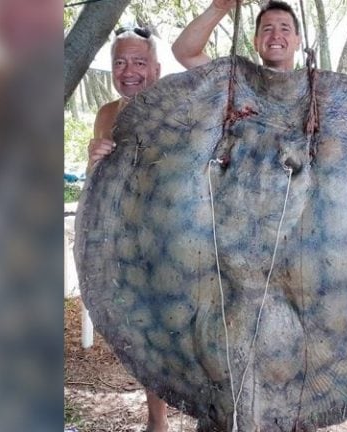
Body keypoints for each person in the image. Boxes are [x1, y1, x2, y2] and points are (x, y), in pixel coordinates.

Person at [86, 27, 168, 432]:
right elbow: (95, 185)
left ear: (156, 68)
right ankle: (157, 421)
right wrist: (94, 157)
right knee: (146, 335)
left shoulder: (176, 106)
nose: (129, 71)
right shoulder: (107, 114)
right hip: (129, 244)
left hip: (177, 238)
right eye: (120, 62)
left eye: (139, 62)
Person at [172, 0, 301, 72]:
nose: (276, 35)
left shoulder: (316, 89)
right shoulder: (236, 83)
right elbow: (185, 53)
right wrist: (218, 8)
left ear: (298, 41)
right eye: (267, 29)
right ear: (255, 42)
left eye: (285, 29)